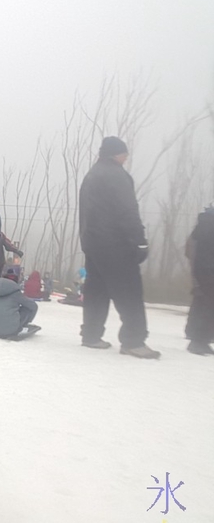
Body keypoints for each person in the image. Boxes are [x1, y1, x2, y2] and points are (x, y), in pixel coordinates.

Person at [78, 136, 160, 359]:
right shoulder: (116, 175)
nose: (127, 157)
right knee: (130, 290)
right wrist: (139, 240)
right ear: (116, 154)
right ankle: (133, 340)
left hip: (93, 242)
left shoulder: (92, 175)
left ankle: (92, 335)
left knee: (97, 290)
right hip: (115, 242)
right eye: (124, 153)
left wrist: (87, 240)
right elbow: (127, 210)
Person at [185, 205, 214, 355]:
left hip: (204, 269)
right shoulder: (208, 225)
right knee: (208, 303)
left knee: (203, 301)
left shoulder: (205, 223)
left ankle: (196, 335)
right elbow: (198, 251)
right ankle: (198, 340)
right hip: (206, 270)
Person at [0, 270, 39, 339]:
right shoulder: (16, 293)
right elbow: (34, 306)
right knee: (27, 308)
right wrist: (28, 319)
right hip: (10, 329)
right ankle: (20, 325)